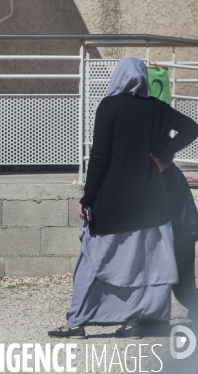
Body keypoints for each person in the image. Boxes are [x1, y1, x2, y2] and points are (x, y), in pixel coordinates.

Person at [48, 57, 198, 339]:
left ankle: (78, 320)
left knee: (94, 259)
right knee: (150, 262)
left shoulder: (110, 106)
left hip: (114, 201)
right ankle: (148, 321)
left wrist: (87, 196)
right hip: (151, 202)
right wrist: (164, 154)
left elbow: (100, 157)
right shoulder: (157, 108)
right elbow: (192, 128)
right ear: (142, 79)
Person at [151, 151, 198, 321]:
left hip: (181, 237)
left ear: (154, 157)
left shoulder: (170, 178)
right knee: (183, 286)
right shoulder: (171, 174)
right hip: (183, 235)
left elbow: (176, 215)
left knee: (183, 288)